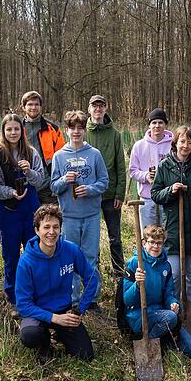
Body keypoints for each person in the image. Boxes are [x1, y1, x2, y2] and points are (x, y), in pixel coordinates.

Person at [15, 204, 100, 363]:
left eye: (56, 227)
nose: (51, 232)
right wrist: (54, 318)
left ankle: (61, 333)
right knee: (29, 335)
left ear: (61, 229)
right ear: (37, 230)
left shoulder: (71, 250)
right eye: (46, 227)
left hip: (64, 310)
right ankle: (45, 343)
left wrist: (79, 310)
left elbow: (91, 278)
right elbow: (23, 305)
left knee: (85, 355)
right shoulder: (26, 262)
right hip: (37, 312)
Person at [151, 126, 191, 336]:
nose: (185, 146)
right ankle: (173, 319)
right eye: (182, 141)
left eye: (189, 142)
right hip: (173, 231)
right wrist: (171, 190)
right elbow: (155, 194)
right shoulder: (164, 167)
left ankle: (190, 322)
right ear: (175, 143)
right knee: (175, 276)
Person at [50, 110, 108, 310]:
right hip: (69, 217)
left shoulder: (94, 154)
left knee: (91, 257)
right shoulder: (59, 157)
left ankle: (91, 298)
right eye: (72, 128)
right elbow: (53, 187)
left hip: (91, 215)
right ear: (66, 130)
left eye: (80, 128)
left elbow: (104, 182)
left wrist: (90, 189)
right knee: (69, 258)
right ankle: (73, 299)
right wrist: (64, 180)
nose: (76, 132)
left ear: (84, 130)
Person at [0, 113, 44, 305]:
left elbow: (41, 180)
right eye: (9, 129)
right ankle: (13, 298)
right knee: (11, 257)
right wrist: (11, 192)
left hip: (31, 210)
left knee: (34, 253)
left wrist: (29, 171)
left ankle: (35, 294)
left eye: (16, 129)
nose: (13, 133)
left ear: (22, 130)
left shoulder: (31, 152)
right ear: (3, 131)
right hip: (9, 212)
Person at [123, 224, 191, 359]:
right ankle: (149, 341)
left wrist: (173, 303)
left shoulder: (165, 265)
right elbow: (126, 300)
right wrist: (137, 284)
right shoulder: (135, 263)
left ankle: (162, 342)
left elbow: (169, 294)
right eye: (152, 242)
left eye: (159, 243)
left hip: (161, 315)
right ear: (144, 243)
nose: (156, 246)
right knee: (171, 317)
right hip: (139, 316)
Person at [84, 94, 127, 282]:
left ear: (105, 109)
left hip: (110, 194)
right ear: (89, 109)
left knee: (115, 236)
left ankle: (119, 272)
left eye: (101, 106)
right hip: (89, 194)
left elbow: (120, 166)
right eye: (95, 106)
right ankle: (94, 271)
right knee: (91, 236)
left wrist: (120, 192)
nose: (98, 109)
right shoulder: (82, 132)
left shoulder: (115, 134)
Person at [129, 108, 172, 229]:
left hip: (167, 199)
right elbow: (133, 171)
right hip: (147, 199)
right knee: (149, 237)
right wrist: (146, 176)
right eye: (154, 123)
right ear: (149, 125)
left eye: (160, 122)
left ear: (165, 124)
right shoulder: (139, 146)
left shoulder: (172, 145)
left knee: (166, 235)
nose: (157, 126)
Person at [20, 91, 65, 204]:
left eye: (36, 104)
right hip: (24, 184)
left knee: (50, 220)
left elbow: (62, 158)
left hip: (47, 186)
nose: (33, 107)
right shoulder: (17, 129)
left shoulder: (53, 129)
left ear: (41, 107)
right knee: (28, 220)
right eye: (30, 104)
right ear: (23, 107)